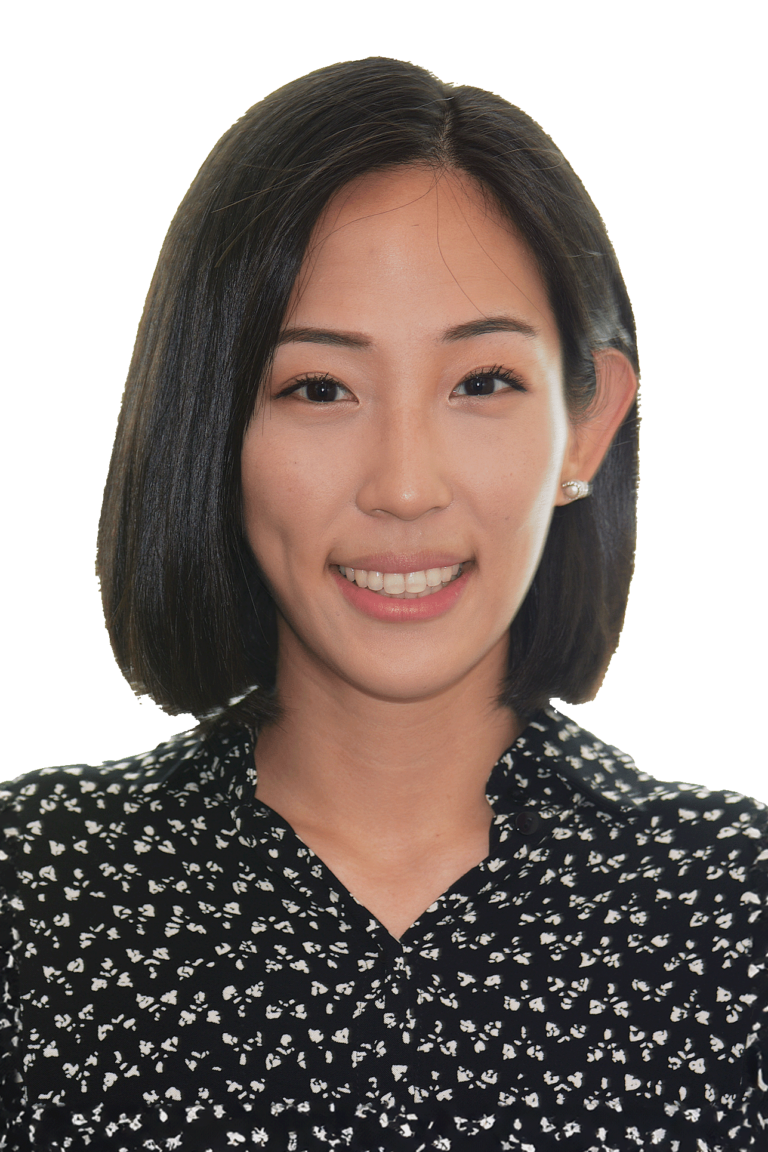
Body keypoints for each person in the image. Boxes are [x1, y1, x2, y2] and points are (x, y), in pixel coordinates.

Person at [1, 57, 766, 1151]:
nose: (404, 486)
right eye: (319, 388)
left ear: (588, 429)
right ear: (212, 427)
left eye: (482, 382)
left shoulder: (736, 913)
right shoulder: (35, 895)